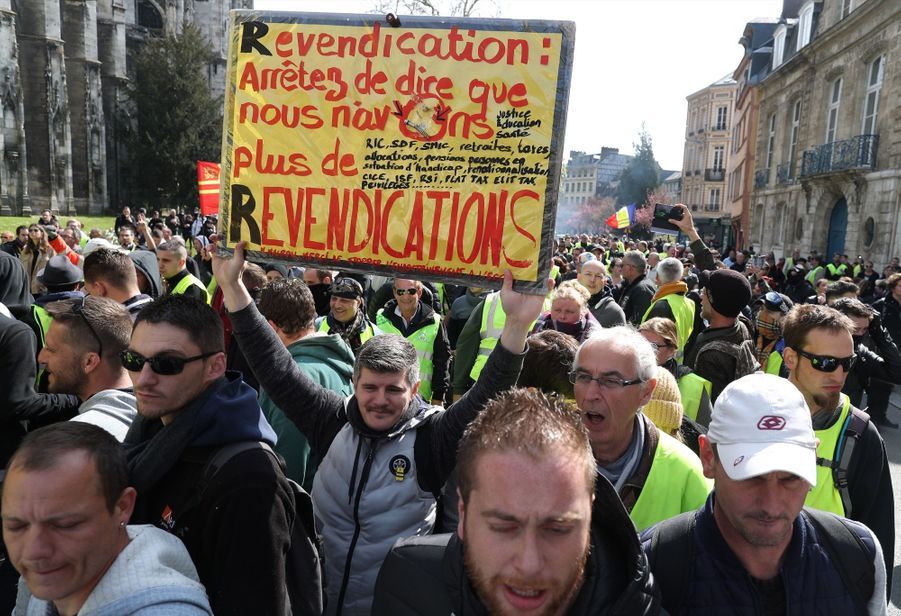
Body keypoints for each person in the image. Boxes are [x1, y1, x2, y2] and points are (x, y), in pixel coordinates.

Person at [213, 239, 547, 615]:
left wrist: (518, 324)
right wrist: (232, 287)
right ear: (354, 384)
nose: (379, 400)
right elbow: (274, 366)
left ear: (415, 389)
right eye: (369, 387)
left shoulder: (432, 439)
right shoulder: (330, 419)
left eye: (394, 389)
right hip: (316, 602)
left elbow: (487, 394)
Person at [372, 388, 661, 615]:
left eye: (558, 528)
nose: (529, 564)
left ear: (590, 512)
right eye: (502, 526)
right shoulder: (408, 580)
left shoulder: (636, 603)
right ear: (463, 513)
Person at [641, 373, 887, 615]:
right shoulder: (649, 564)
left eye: (790, 477)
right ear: (708, 458)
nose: (771, 505)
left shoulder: (857, 555)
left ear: (813, 458)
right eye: (750, 477)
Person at [122, 295, 294, 615]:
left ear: (215, 366)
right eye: (133, 360)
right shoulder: (151, 430)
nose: (144, 379)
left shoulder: (248, 480)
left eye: (167, 364)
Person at [3, 422, 212, 615]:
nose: (34, 551)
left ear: (122, 507)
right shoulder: (45, 578)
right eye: (16, 526)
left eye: (65, 525)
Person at [781, 303, 894, 590]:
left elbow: (876, 539)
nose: (839, 375)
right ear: (790, 357)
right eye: (826, 363)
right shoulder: (753, 414)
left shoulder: (860, 433)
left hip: (826, 591)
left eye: (848, 363)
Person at [571, 326, 710, 531]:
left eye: (611, 381)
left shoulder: (687, 473)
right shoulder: (542, 455)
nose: (591, 394)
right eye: (583, 377)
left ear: (646, 392)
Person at [255, 278, 354, 491]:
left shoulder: (286, 380)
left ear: (271, 327)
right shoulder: (336, 361)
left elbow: (287, 469)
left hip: (302, 510)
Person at [39, 296, 137, 441]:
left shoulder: (79, 441)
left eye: (51, 349)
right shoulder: (151, 410)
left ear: (89, 362)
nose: (41, 358)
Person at [684, 269, 756, 402]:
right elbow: (731, 287)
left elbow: (710, 409)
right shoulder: (743, 325)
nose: (701, 297)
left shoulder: (711, 356)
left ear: (713, 300)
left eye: (704, 292)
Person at [375, 278, 451, 403]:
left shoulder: (435, 322)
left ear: (419, 292)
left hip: (420, 399)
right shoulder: (380, 318)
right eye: (400, 292)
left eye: (411, 291)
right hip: (385, 396)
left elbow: (442, 362)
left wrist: (438, 397)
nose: (406, 296)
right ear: (394, 292)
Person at [830, 297, 901, 428]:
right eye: (855, 329)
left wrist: (879, 333)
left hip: (843, 425)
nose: (860, 334)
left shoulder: (861, 353)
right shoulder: (813, 349)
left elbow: (896, 372)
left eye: (864, 330)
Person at [641, 257, 695, 356]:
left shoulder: (662, 305)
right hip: (678, 364)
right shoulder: (690, 303)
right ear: (680, 276)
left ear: (657, 277)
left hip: (661, 365)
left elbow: (650, 343)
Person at [316, 276, 381, 355]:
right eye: (334, 299)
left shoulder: (375, 334)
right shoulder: (316, 326)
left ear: (358, 302)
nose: (337, 305)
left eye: (344, 301)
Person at [83, 248, 154, 318]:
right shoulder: (159, 312)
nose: (89, 297)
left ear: (99, 289)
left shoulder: (123, 326)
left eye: (89, 292)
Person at [532, 279, 601, 343]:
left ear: (582, 312)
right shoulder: (541, 322)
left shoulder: (594, 335)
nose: (562, 316)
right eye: (557, 310)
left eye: (569, 312)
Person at [577, 260, 626, 327]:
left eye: (598, 276)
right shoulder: (565, 302)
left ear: (605, 282)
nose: (592, 280)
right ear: (578, 277)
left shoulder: (614, 312)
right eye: (588, 274)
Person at [618, 250, 656, 325]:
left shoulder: (642, 290)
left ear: (630, 268)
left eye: (622, 265)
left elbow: (639, 323)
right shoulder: (631, 284)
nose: (620, 268)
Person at [19, 225, 56, 296]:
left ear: (42, 233)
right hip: (26, 287)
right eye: (30, 230)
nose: (33, 232)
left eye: (36, 230)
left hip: (42, 288)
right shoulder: (25, 250)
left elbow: (53, 268)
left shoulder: (49, 249)